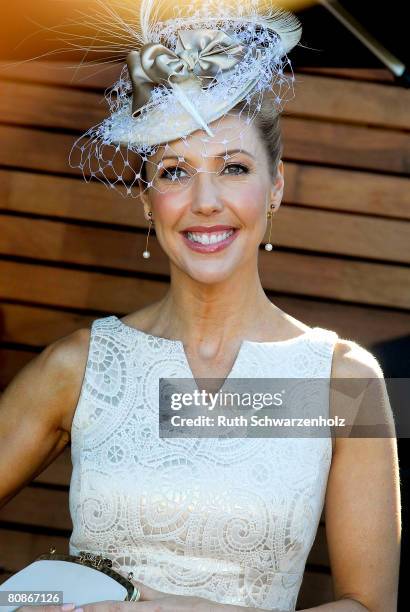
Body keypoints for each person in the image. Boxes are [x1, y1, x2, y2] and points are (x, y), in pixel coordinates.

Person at [0, 1, 400, 611]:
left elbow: (372, 606)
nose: (205, 201)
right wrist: (35, 600)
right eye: (174, 171)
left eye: (233, 167)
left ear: (277, 187)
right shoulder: (82, 368)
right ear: (146, 201)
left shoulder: (340, 383)